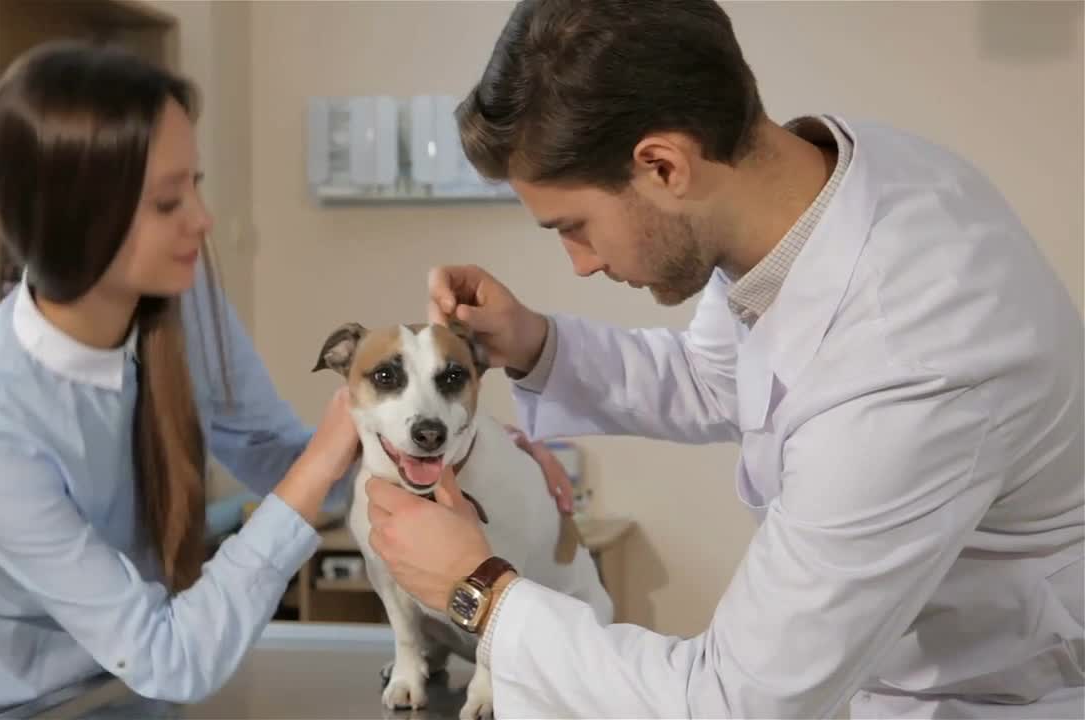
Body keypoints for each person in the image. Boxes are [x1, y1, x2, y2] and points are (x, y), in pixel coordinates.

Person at [364, 1, 1085, 718]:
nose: (579, 263)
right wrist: (536, 343)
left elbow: (731, 703)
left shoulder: (912, 357)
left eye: (574, 227)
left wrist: (478, 589)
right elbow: (719, 380)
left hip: (987, 699)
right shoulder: (821, 198)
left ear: (663, 166)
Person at [0, 41, 562, 719]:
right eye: (168, 203)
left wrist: (477, 463)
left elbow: (279, 457)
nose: (203, 218)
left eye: (194, 185)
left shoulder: (179, 304)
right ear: (80, 222)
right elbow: (169, 652)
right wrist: (325, 452)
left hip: (112, 692)